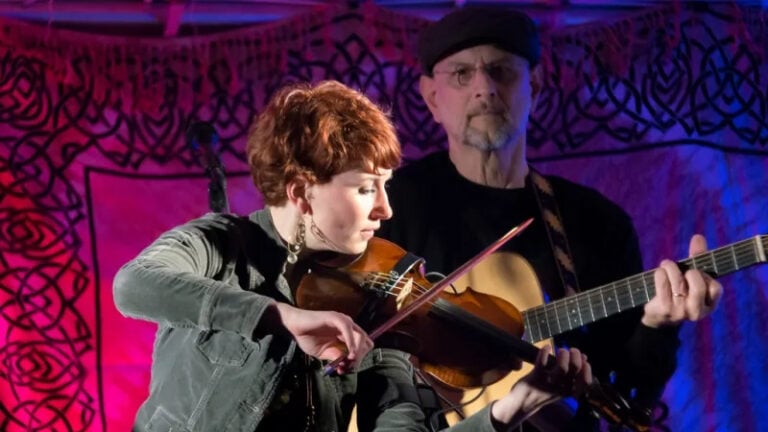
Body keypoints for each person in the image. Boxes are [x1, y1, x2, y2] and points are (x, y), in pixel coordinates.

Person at [113, 80, 594, 432]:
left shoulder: (383, 303)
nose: (385, 209)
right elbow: (134, 285)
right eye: (367, 188)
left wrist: (514, 406)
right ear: (302, 192)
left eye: (385, 187)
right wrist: (282, 317)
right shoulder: (223, 244)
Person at [377, 7, 723, 431]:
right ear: (432, 98)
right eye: (462, 75)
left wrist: (658, 325)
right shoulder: (386, 205)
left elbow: (628, 397)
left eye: (502, 71)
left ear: (535, 86)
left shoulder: (597, 221)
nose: (484, 88)